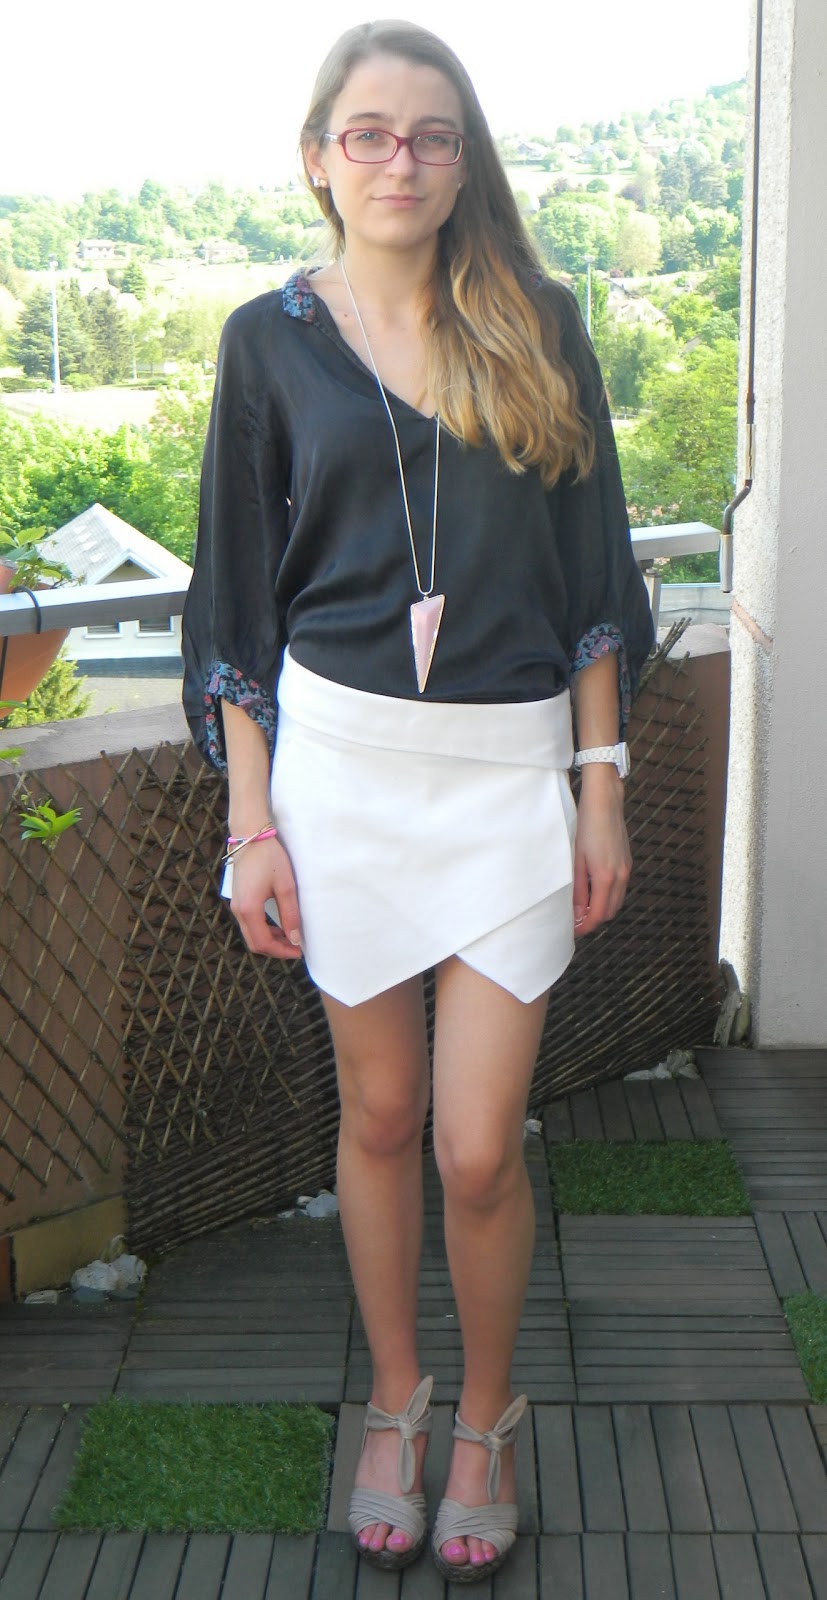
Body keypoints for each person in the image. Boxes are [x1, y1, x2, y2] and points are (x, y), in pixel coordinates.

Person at [182, 18, 654, 1583]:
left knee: (474, 1147)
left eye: (432, 135)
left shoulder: (538, 321)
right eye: (371, 133)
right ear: (319, 158)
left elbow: (595, 573)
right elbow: (238, 604)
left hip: (511, 779)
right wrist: (252, 824)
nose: (402, 160)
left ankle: (490, 1417)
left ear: (465, 161)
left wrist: (599, 787)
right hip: (340, 781)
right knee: (379, 1116)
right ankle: (398, 1400)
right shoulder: (267, 342)